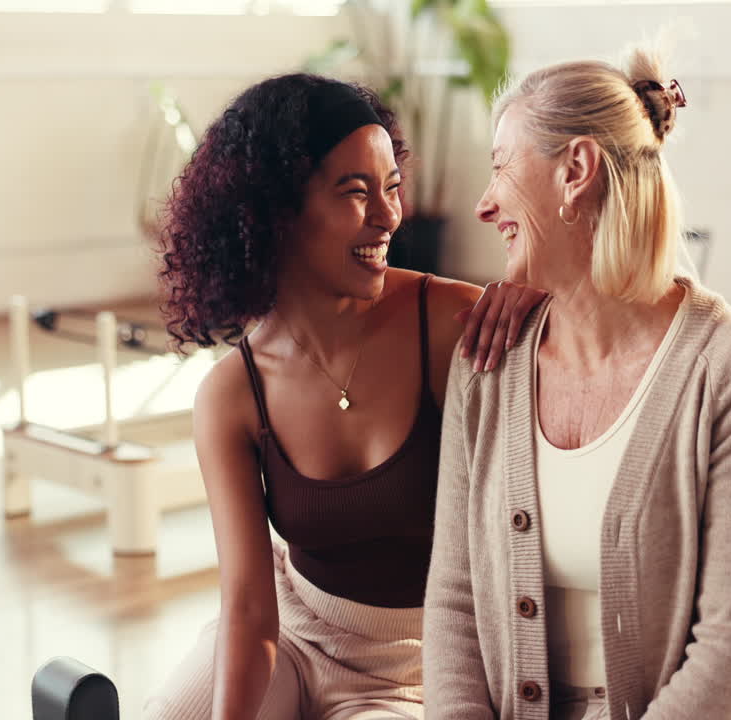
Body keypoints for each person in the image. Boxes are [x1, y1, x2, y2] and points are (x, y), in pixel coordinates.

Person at [422, 49, 731, 720]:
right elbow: (454, 596)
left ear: (575, 172)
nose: (482, 202)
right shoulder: (489, 362)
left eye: (500, 166)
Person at [144, 74, 544, 720]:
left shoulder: (448, 326)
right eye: (356, 193)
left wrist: (549, 300)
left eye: (391, 187)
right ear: (275, 212)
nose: (390, 216)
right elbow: (249, 612)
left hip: (414, 665)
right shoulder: (233, 394)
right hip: (294, 633)